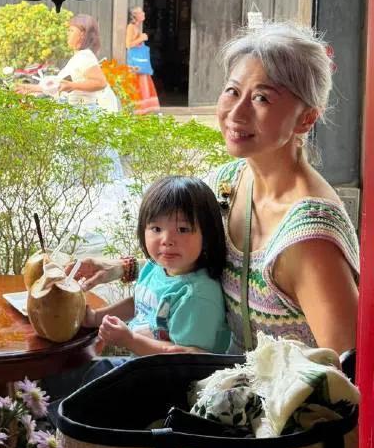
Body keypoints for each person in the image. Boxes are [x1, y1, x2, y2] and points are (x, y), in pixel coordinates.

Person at [70, 22, 360, 356]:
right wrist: (120, 268)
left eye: (262, 98)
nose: (236, 112)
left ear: (306, 119)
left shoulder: (310, 239)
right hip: (210, 377)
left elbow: (346, 370)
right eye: (233, 91)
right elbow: (187, 259)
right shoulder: (227, 184)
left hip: (256, 389)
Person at [86, 176, 229, 357]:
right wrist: (96, 318)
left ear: (208, 234)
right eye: (156, 229)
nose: (167, 240)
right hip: (143, 364)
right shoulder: (155, 267)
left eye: (183, 229)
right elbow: (140, 303)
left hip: (176, 373)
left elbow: (190, 356)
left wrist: (130, 340)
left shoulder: (197, 296)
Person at [16, 13, 119, 113]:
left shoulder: (85, 56)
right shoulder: (78, 56)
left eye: (71, 30)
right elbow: (61, 85)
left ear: (82, 34)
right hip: (75, 112)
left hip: (83, 113)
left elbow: (100, 83)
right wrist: (33, 88)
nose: (67, 34)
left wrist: (73, 86)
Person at [125, 6, 160, 114]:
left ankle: (143, 111)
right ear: (135, 16)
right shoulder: (131, 27)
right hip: (135, 62)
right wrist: (141, 38)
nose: (144, 13)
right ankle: (137, 110)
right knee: (138, 84)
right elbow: (128, 45)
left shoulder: (137, 27)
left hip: (140, 61)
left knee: (143, 83)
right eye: (141, 12)